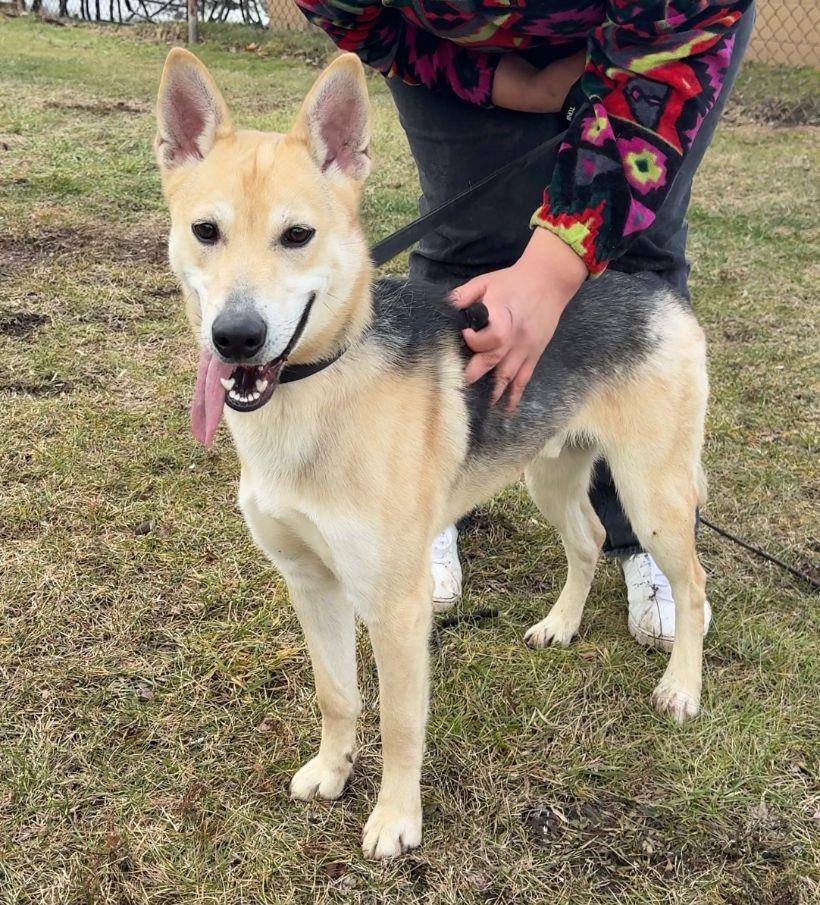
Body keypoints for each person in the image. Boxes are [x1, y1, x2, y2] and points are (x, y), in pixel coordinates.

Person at [294, 0, 754, 649]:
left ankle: (644, 530)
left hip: (657, 37)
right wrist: (513, 85)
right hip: (450, 46)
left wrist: (552, 271)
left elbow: (675, 38)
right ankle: (421, 498)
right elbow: (369, 25)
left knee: (635, 248)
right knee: (464, 236)